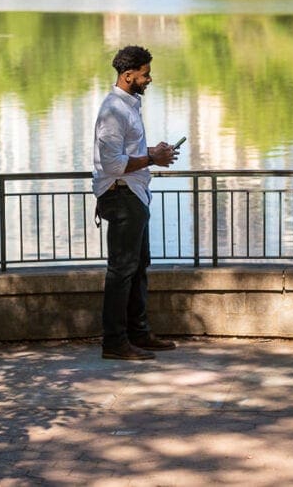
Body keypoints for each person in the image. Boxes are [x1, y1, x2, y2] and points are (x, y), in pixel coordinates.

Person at [93, 45, 179, 360]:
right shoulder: (113, 111)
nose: (149, 79)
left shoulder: (129, 105)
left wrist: (152, 152)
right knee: (121, 270)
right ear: (128, 75)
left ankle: (138, 333)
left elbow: (129, 155)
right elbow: (112, 164)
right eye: (145, 74)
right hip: (121, 195)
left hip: (134, 196)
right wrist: (152, 158)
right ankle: (114, 342)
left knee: (138, 266)